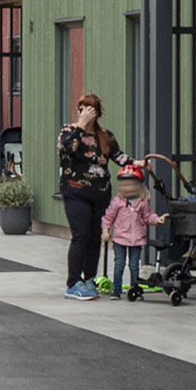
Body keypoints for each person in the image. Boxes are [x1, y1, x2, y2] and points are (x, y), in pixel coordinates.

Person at [55, 91, 118, 300]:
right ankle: (73, 283)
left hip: (100, 192)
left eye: (90, 109)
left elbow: (118, 155)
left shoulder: (105, 136)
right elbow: (65, 150)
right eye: (82, 108)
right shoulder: (69, 131)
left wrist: (138, 164)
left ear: (98, 113)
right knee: (80, 235)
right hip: (76, 192)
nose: (86, 113)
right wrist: (81, 126)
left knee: (94, 238)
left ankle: (89, 278)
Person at [99, 161, 154, 298]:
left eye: (132, 184)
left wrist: (156, 219)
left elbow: (148, 216)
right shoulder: (117, 202)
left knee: (134, 265)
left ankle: (134, 288)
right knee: (119, 264)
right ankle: (117, 290)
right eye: (126, 185)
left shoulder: (142, 202)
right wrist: (105, 231)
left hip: (136, 239)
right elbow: (108, 217)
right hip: (120, 238)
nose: (129, 188)